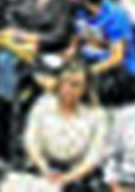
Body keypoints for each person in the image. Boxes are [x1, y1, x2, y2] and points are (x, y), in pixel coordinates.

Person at [23, 61, 108, 191]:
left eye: (75, 85)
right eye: (65, 82)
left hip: (76, 176)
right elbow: (31, 140)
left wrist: (68, 178)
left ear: (85, 88)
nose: (68, 89)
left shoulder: (97, 116)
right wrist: (44, 169)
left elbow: (94, 157)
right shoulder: (43, 104)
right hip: (41, 167)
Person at [66, 0, 135, 105]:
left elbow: (117, 57)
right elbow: (77, 40)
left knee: (81, 87)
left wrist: (88, 72)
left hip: (114, 70)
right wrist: (69, 54)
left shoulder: (116, 15)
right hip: (88, 61)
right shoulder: (78, 11)